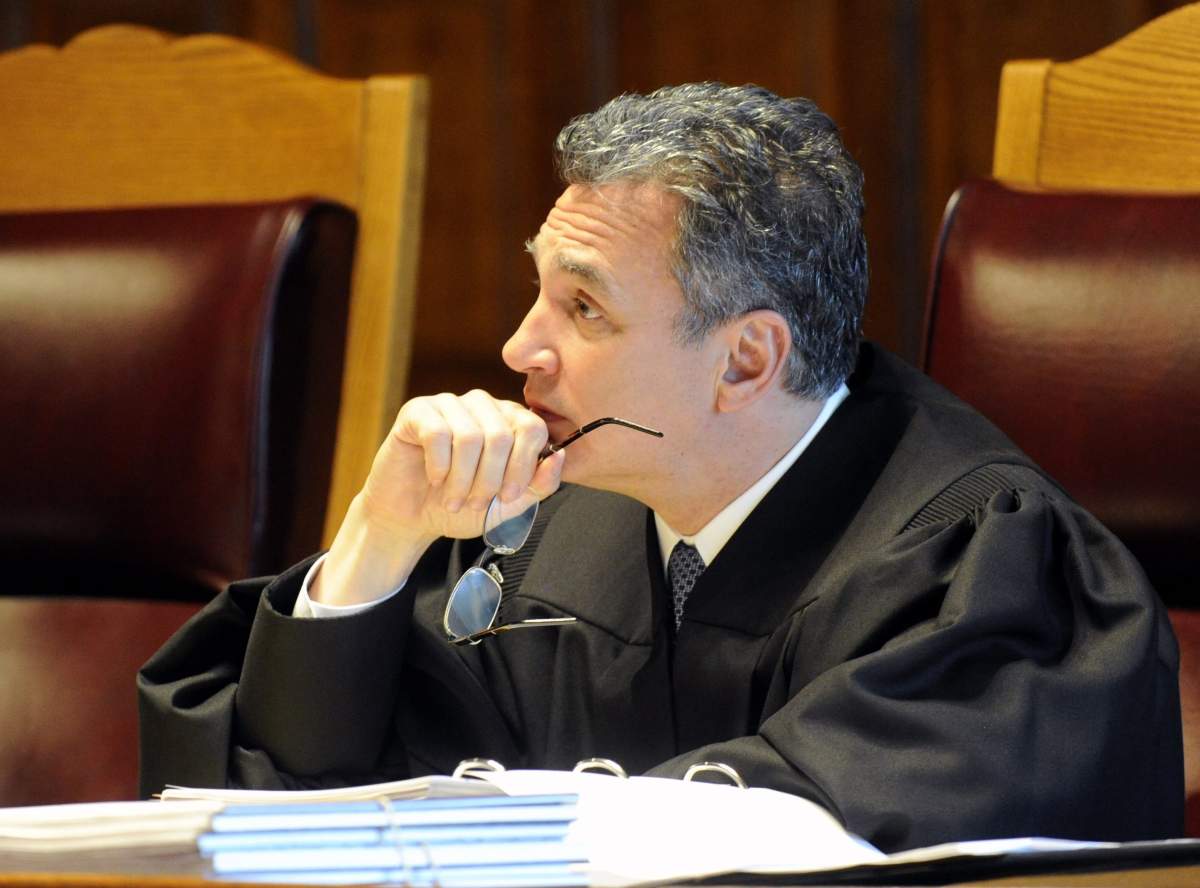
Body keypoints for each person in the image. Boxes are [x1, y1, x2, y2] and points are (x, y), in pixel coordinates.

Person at [139, 83, 1182, 852]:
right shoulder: (540, 531)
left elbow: (822, 844)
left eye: (583, 308)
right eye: (538, 291)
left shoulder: (984, 570)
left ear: (746, 358)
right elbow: (286, 816)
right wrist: (375, 540)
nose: (518, 348)